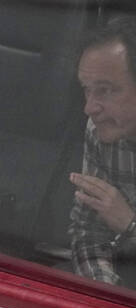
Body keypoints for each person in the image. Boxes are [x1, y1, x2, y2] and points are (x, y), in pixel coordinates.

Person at [70, 16, 136, 287]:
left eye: (105, 91)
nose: (90, 108)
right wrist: (107, 294)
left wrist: (129, 225)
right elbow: (88, 234)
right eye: (87, 90)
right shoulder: (99, 129)